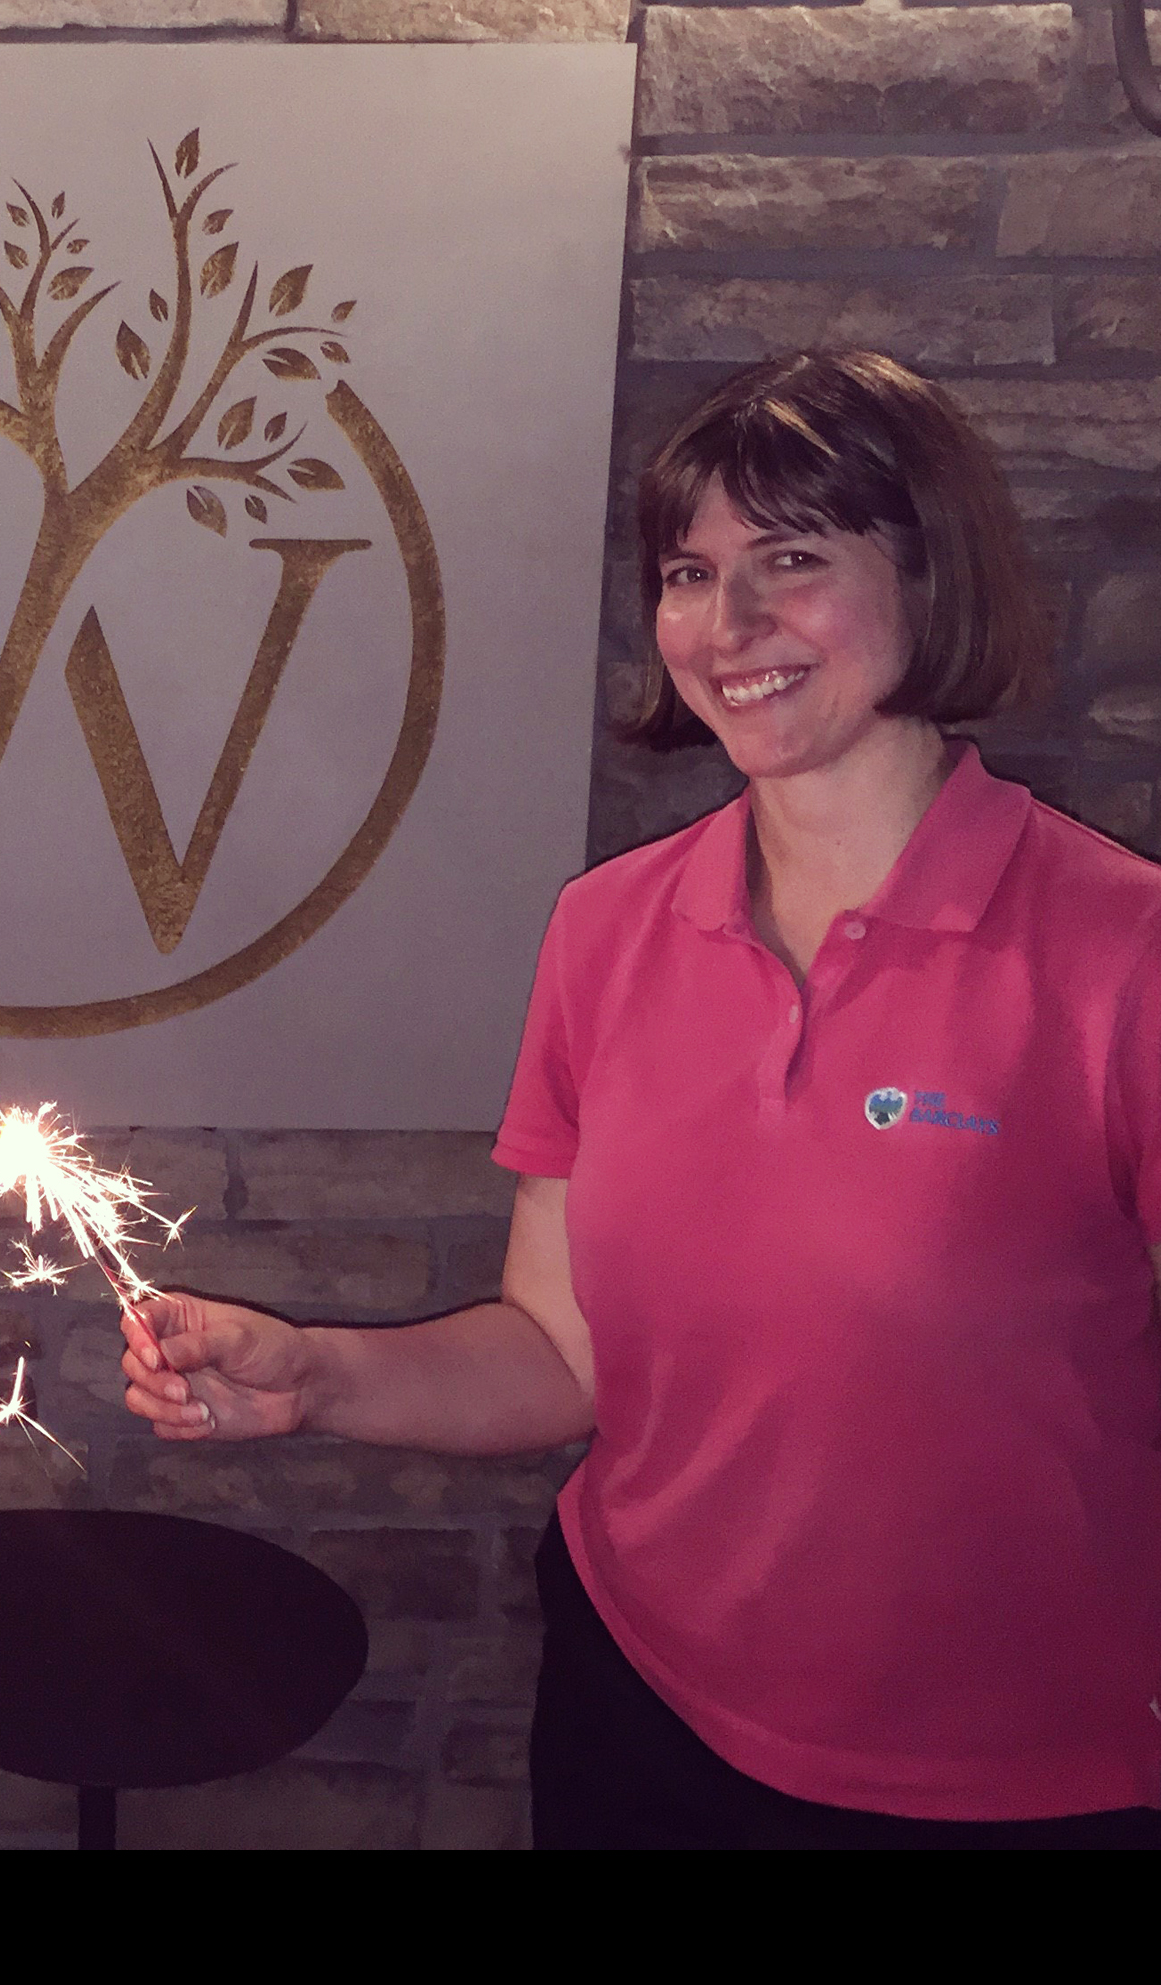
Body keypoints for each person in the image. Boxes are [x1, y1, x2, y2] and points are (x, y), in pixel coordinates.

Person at [123, 349, 1161, 1849]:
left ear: (928, 580)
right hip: (643, 1714)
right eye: (689, 572)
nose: (726, 626)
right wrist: (316, 1377)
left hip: (1013, 1781)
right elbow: (565, 1352)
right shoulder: (608, 930)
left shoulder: (1117, 949)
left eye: (791, 562)